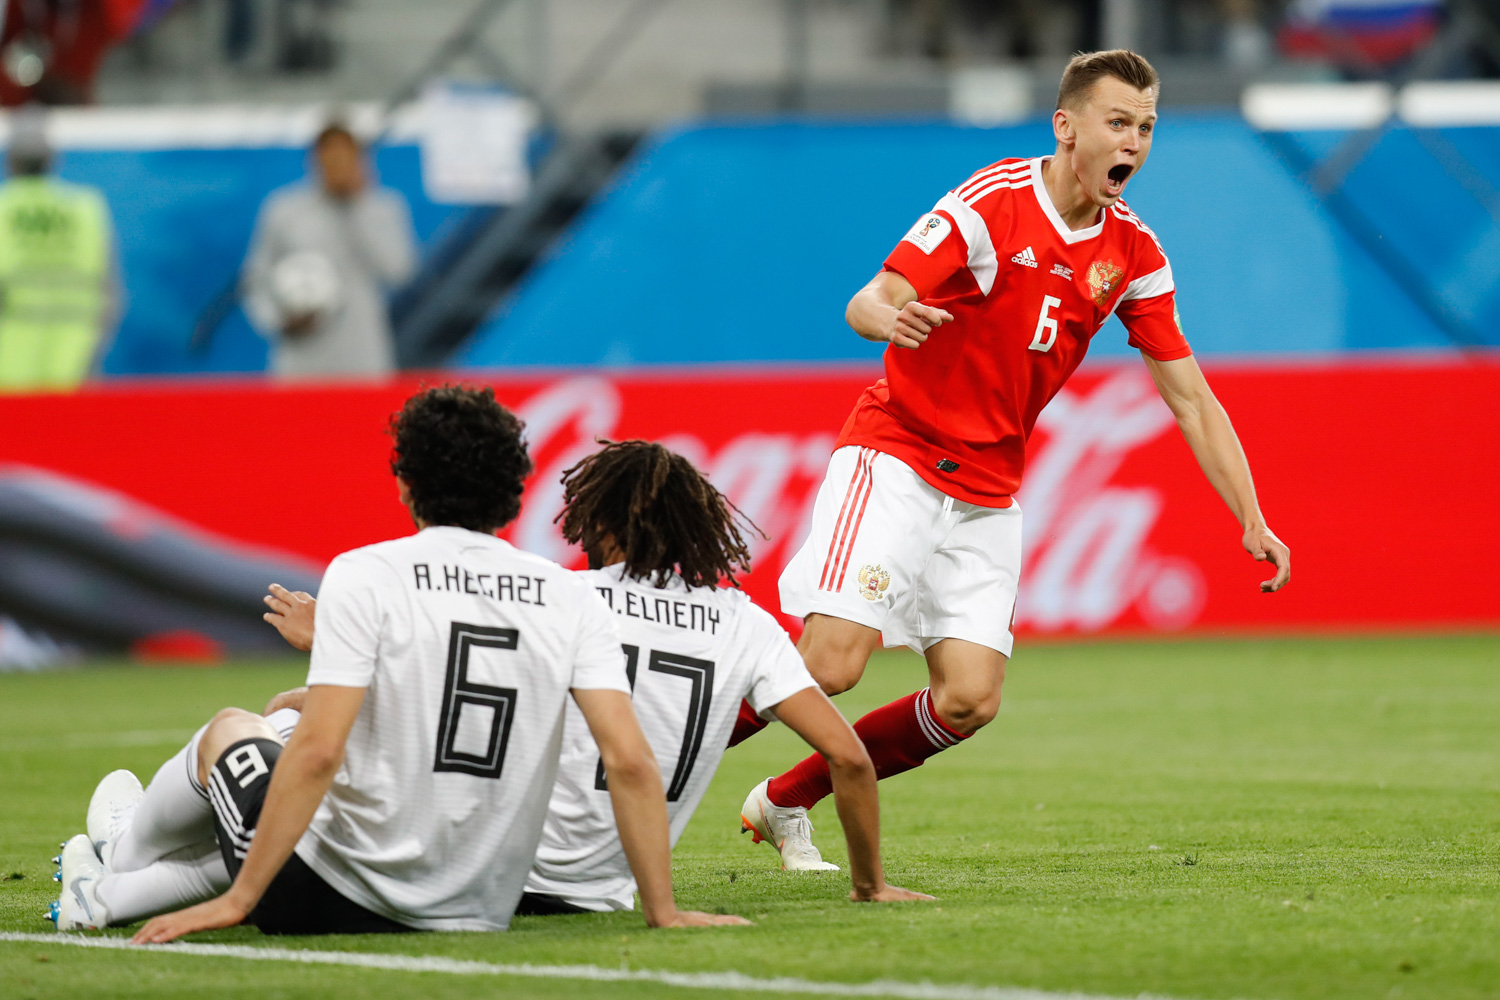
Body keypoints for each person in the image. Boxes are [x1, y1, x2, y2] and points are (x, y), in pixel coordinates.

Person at [733, 50, 1293, 869]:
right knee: (831, 664)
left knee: (968, 699)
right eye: (1118, 122)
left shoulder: (1134, 254)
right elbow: (871, 296)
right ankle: (631, 763)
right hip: (898, 455)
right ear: (1066, 126)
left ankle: (786, 800)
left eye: (1146, 128)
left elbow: (1191, 399)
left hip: (988, 492)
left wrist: (1251, 514)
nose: (1133, 141)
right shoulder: (991, 203)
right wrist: (888, 318)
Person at [53, 385, 747, 937]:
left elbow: (320, 752)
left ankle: (121, 854)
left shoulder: (367, 573)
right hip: (480, 904)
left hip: (335, 896)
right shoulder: (564, 595)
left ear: (405, 482)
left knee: (237, 729)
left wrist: (241, 900)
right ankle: (106, 894)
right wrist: (661, 909)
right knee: (297, 743)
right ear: (514, 488)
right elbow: (629, 759)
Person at [242, 122, 415, 379]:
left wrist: (355, 207)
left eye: (346, 157)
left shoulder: (383, 208)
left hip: (363, 356)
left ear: (360, 160)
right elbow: (255, 279)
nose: (338, 165)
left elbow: (399, 272)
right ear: (315, 160)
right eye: (330, 157)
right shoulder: (284, 210)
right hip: (301, 358)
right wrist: (278, 319)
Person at [0, 110, 117, 392]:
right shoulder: (86, 208)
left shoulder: (4, 208)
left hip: (8, 379)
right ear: (52, 160)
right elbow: (111, 295)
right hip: (75, 370)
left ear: (11, 160)